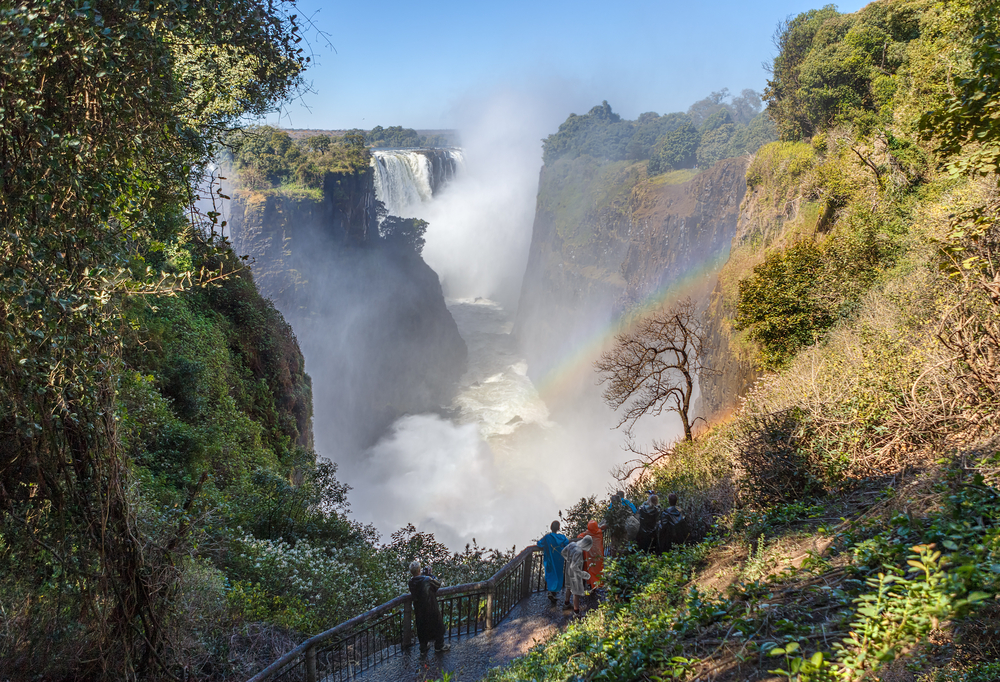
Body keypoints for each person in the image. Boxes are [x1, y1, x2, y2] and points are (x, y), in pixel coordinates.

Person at [408, 560, 449, 654]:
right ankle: (439, 646)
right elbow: (437, 584)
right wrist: (430, 575)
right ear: (419, 570)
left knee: (422, 627)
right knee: (437, 626)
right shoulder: (427, 579)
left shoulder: (411, 582)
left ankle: (423, 647)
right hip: (431, 607)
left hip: (419, 609)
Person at [537, 520, 569, 604]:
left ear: (551, 527)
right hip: (559, 559)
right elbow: (567, 543)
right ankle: (553, 593)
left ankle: (551, 591)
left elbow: (539, 544)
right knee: (558, 575)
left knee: (550, 574)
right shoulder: (562, 537)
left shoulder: (547, 537)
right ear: (558, 528)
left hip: (550, 559)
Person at [561, 535, 593, 617]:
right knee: (576, 592)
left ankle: (566, 603)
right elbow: (574, 567)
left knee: (568, 587)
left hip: (567, 570)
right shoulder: (579, 552)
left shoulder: (572, 544)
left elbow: (563, 552)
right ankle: (576, 612)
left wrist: (568, 560)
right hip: (575, 574)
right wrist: (583, 574)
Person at [577, 520, 605, 589]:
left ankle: (592, 584)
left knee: (591, 569)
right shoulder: (599, 532)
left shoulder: (587, 533)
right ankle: (599, 583)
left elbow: (579, 537)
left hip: (590, 555)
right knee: (598, 569)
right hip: (599, 554)